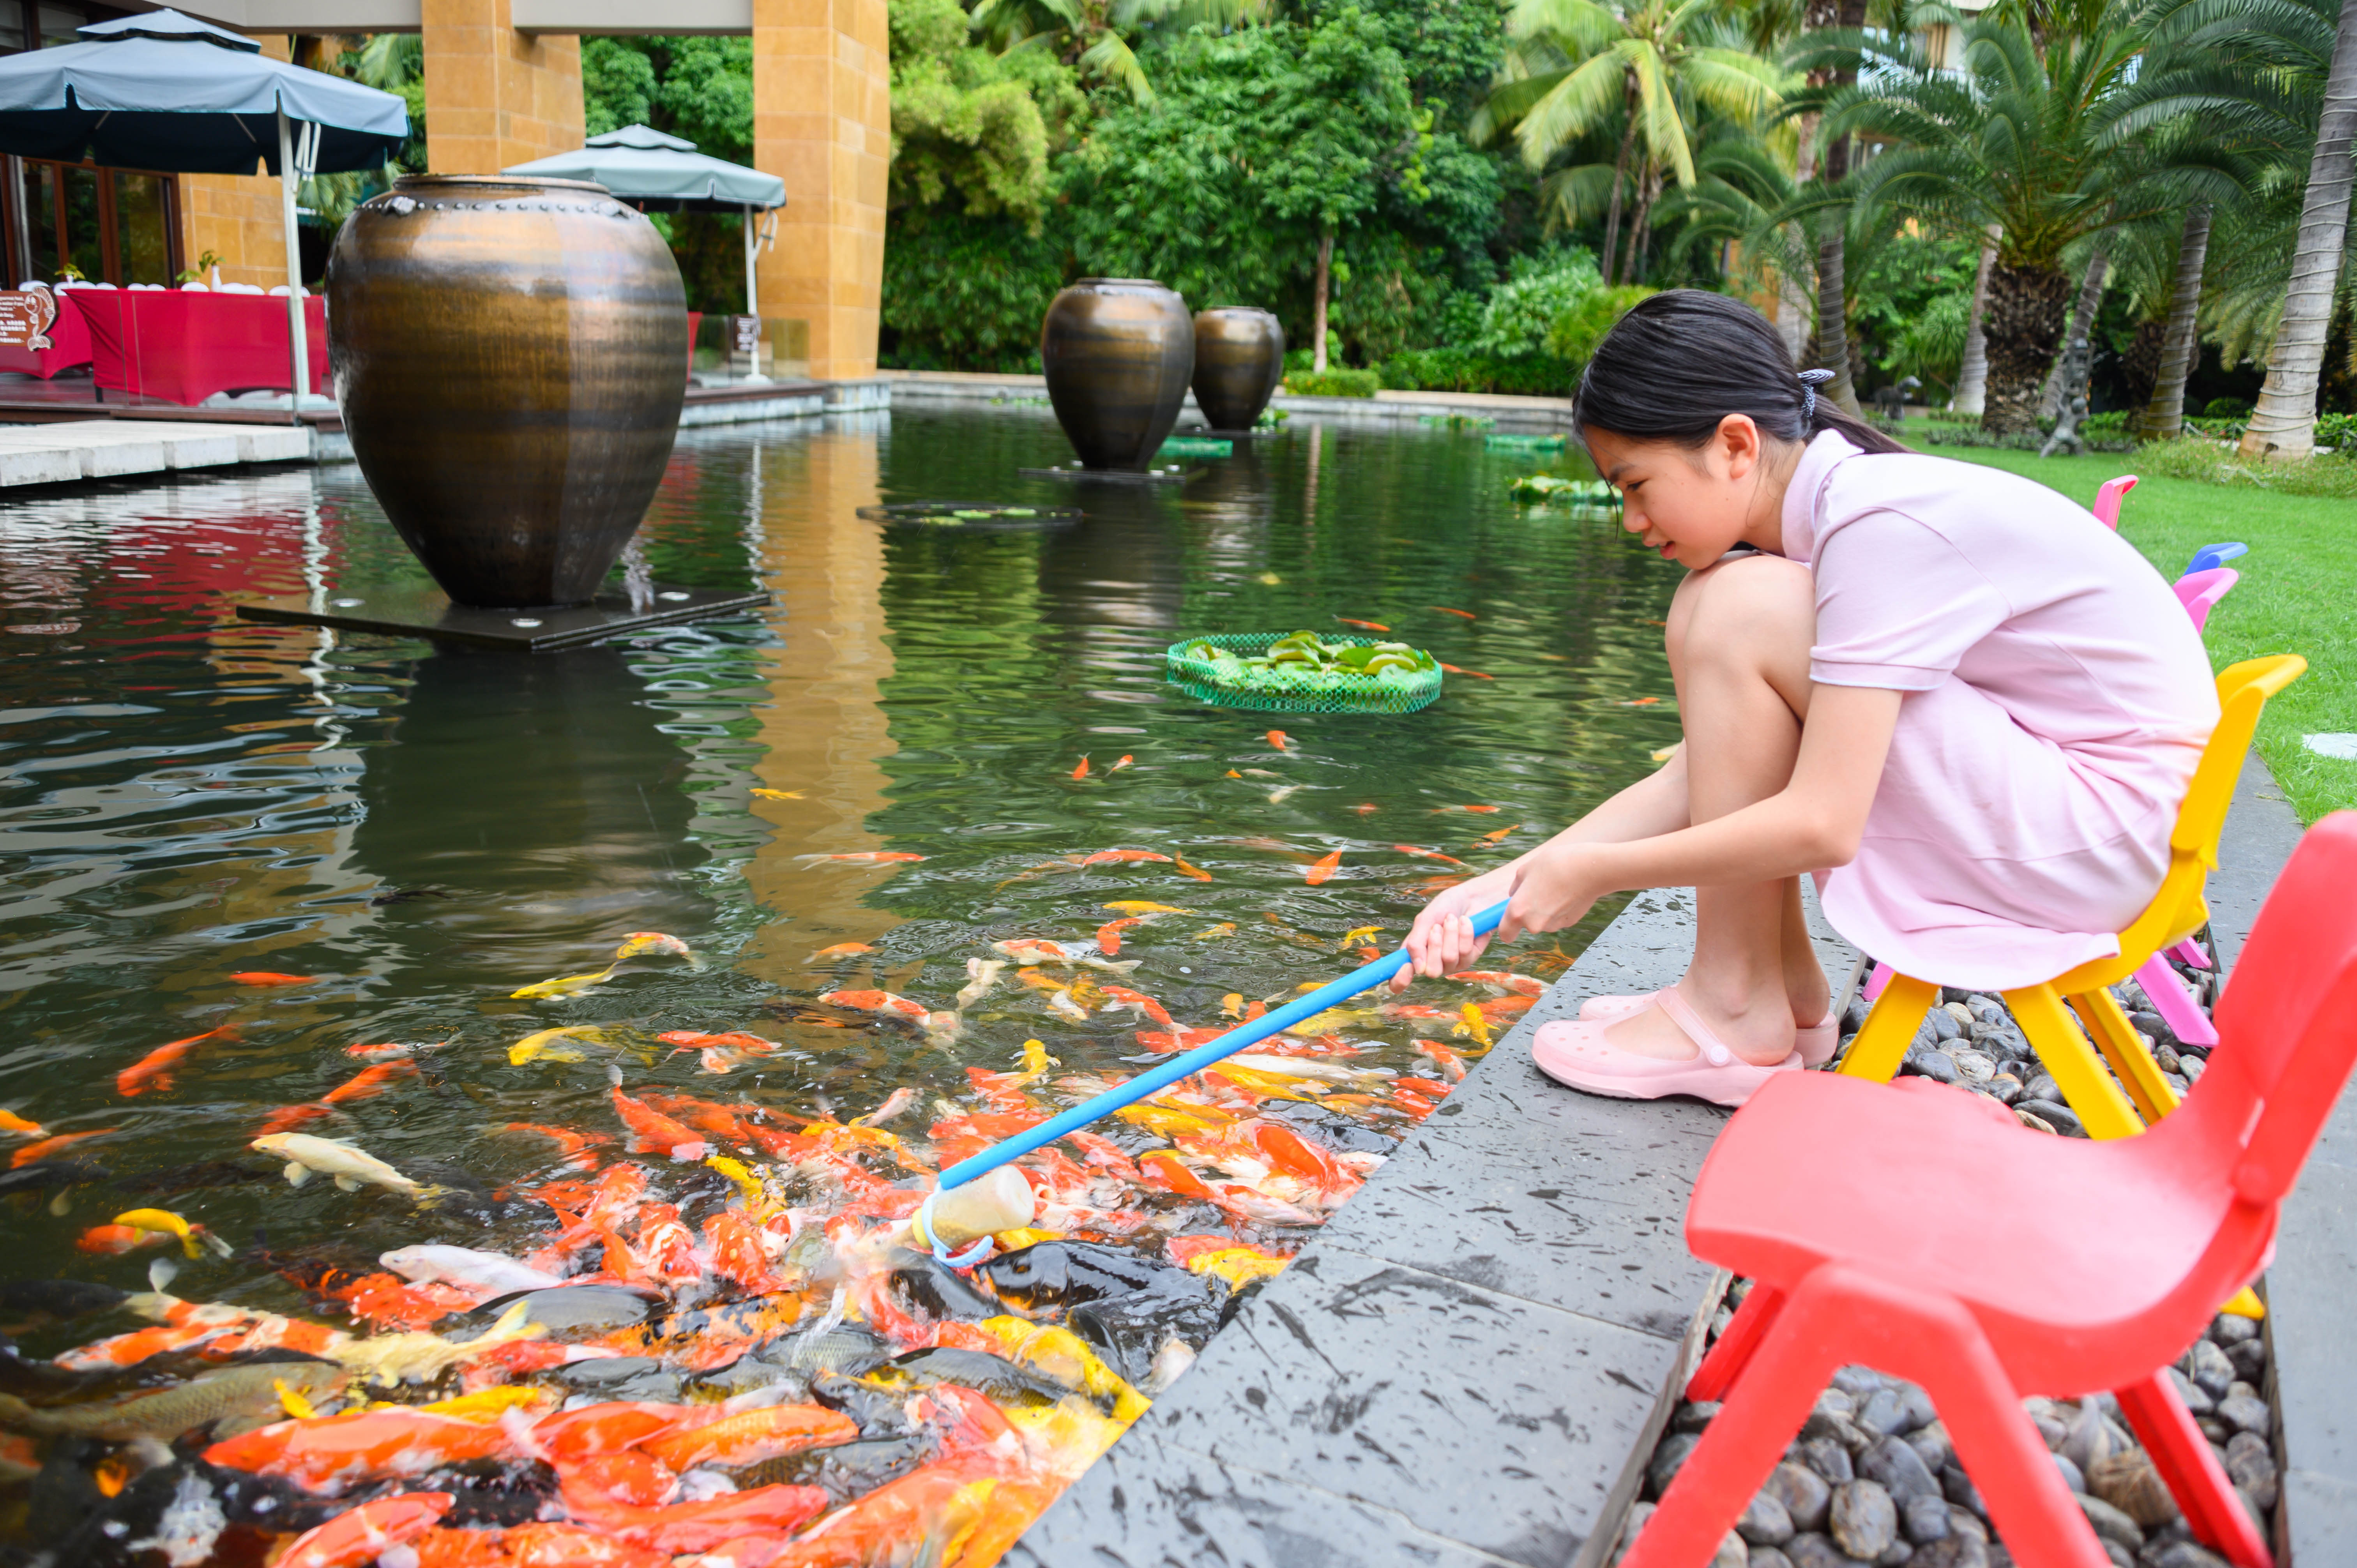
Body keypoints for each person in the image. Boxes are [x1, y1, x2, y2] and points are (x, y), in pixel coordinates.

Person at [1397, 290, 2218, 1106]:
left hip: (2101, 842)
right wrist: (1507, 881)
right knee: (1721, 600)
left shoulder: (1873, 524)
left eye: (1637, 484)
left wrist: (1596, 874)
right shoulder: (1844, 514)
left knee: (1733, 605)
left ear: (1735, 444)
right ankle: (1780, 991)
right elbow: (1699, 780)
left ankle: (1732, 1005)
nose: (1631, 520)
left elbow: (1825, 821)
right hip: (2098, 823)